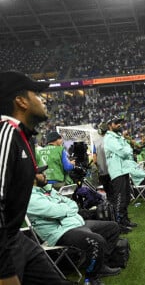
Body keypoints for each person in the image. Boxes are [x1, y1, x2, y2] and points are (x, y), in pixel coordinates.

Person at [0, 71, 72, 284]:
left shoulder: (22, 136)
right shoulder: (5, 134)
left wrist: (35, 178)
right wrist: (4, 271)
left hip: (16, 238)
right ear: (21, 101)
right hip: (4, 246)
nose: (43, 100)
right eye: (37, 94)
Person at [27, 179, 121, 285]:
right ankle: (91, 277)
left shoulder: (47, 190)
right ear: (33, 178)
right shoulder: (30, 198)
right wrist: (67, 209)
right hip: (58, 233)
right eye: (41, 172)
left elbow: (72, 204)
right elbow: (56, 211)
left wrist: (65, 209)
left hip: (74, 224)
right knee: (96, 241)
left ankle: (101, 264)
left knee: (113, 227)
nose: (45, 175)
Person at [104, 116, 137, 231]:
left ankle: (125, 220)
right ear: (109, 125)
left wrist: (127, 150)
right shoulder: (109, 138)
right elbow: (123, 152)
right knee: (120, 198)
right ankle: (119, 224)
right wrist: (127, 150)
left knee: (126, 197)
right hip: (117, 171)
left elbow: (128, 149)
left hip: (123, 169)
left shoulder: (118, 137)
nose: (119, 125)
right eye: (116, 123)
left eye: (119, 123)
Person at [93, 122, 113, 202]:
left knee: (108, 190)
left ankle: (110, 204)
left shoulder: (96, 143)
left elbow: (94, 159)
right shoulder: (112, 140)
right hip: (113, 170)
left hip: (102, 171)